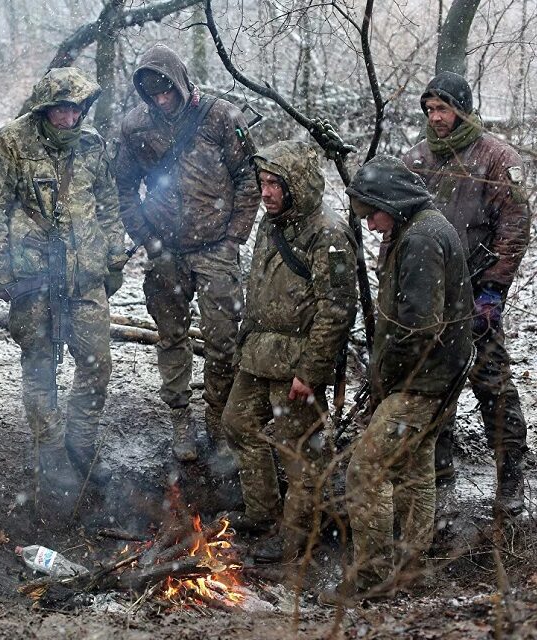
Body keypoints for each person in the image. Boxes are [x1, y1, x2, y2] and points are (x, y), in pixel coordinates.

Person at [322, 155, 472, 604]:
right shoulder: (422, 227)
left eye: (372, 214)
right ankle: (411, 567)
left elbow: (418, 328)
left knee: (366, 470)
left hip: (422, 381)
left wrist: (385, 381)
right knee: (415, 469)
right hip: (437, 376)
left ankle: (370, 580)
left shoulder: (422, 238)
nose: (369, 226)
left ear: (392, 200)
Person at [0, 67, 128, 497]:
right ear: (45, 109)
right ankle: (51, 451)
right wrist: (0, 273)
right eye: (61, 109)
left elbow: (109, 203)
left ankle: (81, 443)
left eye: (76, 109)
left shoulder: (93, 146)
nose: (69, 118)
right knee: (40, 366)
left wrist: (114, 255)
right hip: (33, 277)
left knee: (97, 364)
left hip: (85, 276)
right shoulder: (10, 144)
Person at [115, 43, 261, 462]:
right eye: (153, 94)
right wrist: (146, 236)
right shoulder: (136, 127)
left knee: (223, 340)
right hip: (165, 251)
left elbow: (248, 179)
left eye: (167, 91)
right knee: (171, 336)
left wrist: (234, 237)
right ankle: (180, 418)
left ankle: (217, 419)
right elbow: (122, 187)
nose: (162, 100)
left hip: (216, 247)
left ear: (180, 83)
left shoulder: (221, 117)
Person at [222, 141, 357, 562]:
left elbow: (336, 310)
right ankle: (262, 513)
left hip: (298, 361)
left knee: (302, 453)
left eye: (275, 184)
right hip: (259, 352)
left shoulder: (329, 234)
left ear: (296, 185)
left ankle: (299, 537)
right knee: (238, 423)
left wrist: (311, 371)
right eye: (262, 183)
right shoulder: (272, 223)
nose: (265, 193)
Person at [403, 72, 531, 515]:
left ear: (463, 108)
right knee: (435, 388)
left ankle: (510, 474)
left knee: (491, 383)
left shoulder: (496, 158)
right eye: (430, 109)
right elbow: (397, 227)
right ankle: (440, 479)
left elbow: (514, 228)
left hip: (477, 292)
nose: (436, 118)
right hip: (430, 295)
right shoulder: (417, 160)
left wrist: (493, 291)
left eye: (444, 109)